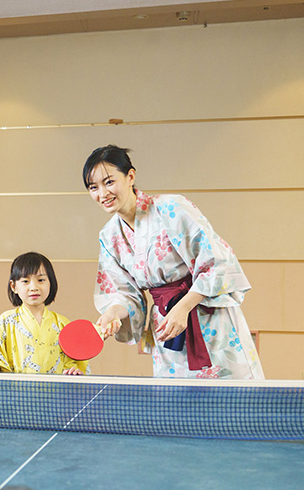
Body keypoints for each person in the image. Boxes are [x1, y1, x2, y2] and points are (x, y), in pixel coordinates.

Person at [82, 145, 264, 379]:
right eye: (93, 187)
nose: (102, 193)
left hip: (208, 318)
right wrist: (114, 313)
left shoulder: (172, 208)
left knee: (233, 401)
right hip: (168, 326)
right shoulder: (109, 236)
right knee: (176, 405)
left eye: (109, 182)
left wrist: (184, 307)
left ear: (130, 176)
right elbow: (124, 294)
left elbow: (217, 262)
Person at [0, 251, 88, 375]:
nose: (34, 287)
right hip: (16, 393)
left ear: (51, 282)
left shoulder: (63, 324)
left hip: (54, 393)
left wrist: (73, 373)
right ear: (14, 286)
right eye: (25, 281)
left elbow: (73, 364)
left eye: (41, 280)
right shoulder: (6, 321)